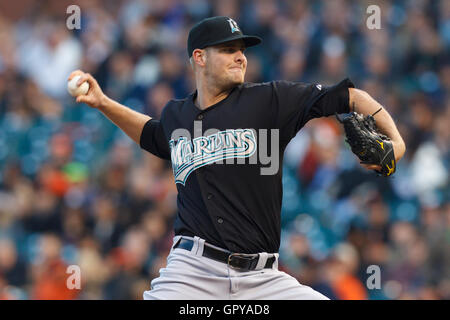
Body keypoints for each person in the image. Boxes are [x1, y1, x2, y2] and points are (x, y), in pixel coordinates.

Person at [69, 16, 406, 300]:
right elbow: (153, 135)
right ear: (199, 57)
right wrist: (103, 103)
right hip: (192, 272)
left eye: (242, 50)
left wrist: (397, 143)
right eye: (228, 50)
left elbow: (349, 97)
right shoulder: (177, 115)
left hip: (264, 279)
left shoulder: (270, 100)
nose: (240, 57)